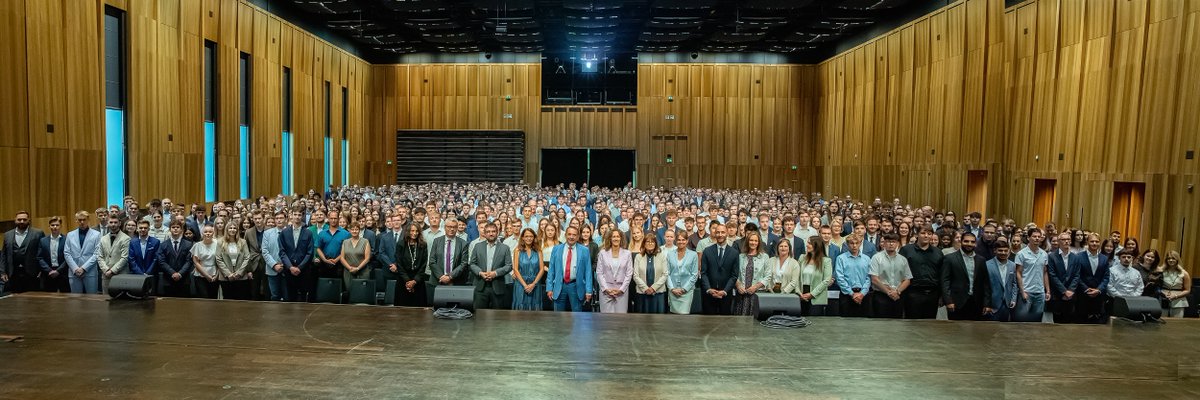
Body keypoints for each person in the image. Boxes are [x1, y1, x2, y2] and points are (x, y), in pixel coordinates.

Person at [940, 232, 991, 320]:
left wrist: (987, 303)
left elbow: (986, 283)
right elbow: (945, 281)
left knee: (975, 331)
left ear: (975, 243)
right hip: (956, 302)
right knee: (956, 331)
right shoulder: (949, 258)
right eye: (966, 241)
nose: (969, 244)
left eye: (972, 242)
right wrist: (948, 301)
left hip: (976, 302)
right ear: (961, 241)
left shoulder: (981, 260)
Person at [546, 226, 594, 312]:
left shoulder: (584, 250)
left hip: (576, 286)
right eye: (569, 234)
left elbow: (588, 272)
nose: (571, 237)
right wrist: (549, 288)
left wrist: (589, 290)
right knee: (558, 317)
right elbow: (551, 270)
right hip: (559, 286)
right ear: (565, 235)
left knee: (577, 316)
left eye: (574, 235)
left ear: (578, 236)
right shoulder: (556, 249)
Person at [899, 226, 942, 319]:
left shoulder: (938, 252)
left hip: (933, 294)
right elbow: (900, 271)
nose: (926, 236)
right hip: (912, 293)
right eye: (923, 233)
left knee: (929, 324)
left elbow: (941, 274)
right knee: (912, 324)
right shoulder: (906, 250)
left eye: (929, 234)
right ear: (917, 234)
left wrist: (941, 295)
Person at [468, 222, 512, 310]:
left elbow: (509, 266)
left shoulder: (505, 248)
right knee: (479, 316)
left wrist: (495, 273)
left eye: (493, 231)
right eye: (488, 232)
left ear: (497, 232)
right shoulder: (477, 246)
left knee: (498, 317)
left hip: (498, 286)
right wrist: (480, 273)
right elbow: (472, 264)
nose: (491, 233)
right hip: (480, 286)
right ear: (484, 233)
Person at [2, 211, 46, 293]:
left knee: (33, 301)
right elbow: (3, 255)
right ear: (15, 220)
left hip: (32, 274)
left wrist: (42, 270)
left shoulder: (38, 233)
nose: (22, 221)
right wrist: (2, 272)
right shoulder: (7, 235)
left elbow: (44, 253)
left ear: (29, 220)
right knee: (14, 302)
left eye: (24, 219)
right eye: (19, 219)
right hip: (13, 274)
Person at [869, 232, 911, 318]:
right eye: (888, 241)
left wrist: (897, 291)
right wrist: (888, 292)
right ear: (884, 243)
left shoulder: (903, 260)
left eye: (893, 241)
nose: (891, 244)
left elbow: (907, 279)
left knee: (897, 325)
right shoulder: (876, 258)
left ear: (898, 244)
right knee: (880, 325)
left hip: (898, 296)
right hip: (881, 296)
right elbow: (874, 279)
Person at [700, 223, 738, 315]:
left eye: (722, 232)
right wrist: (709, 289)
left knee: (724, 325)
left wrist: (725, 291)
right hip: (709, 295)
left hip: (726, 294)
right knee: (708, 324)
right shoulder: (707, 251)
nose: (720, 235)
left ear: (727, 233)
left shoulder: (734, 253)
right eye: (718, 232)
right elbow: (703, 273)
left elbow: (734, 275)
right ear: (714, 234)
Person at [428, 219, 468, 305]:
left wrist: (450, 277)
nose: (452, 229)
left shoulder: (463, 243)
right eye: (449, 227)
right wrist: (441, 276)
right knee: (436, 309)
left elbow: (463, 263)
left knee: (454, 309)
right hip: (437, 280)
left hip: (455, 281)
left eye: (454, 227)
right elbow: (432, 261)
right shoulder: (437, 241)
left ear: (457, 228)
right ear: (444, 227)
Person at [1072, 233, 1110, 323]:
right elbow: (1077, 275)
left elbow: (1106, 277)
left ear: (1099, 243)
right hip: (1082, 295)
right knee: (1080, 323)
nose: (1094, 243)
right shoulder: (1079, 257)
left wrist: (1099, 289)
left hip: (1098, 296)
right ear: (1087, 242)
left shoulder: (1104, 258)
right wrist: (1086, 289)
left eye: (1096, 241)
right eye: (1092, 241)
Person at [1013, 228, 1050, 322]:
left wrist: (1048, 291)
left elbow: (1045, 272)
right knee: (1022, 320)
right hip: (1027, 291)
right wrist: (1022, 292)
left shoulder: (1044, 254)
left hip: (1040, 292)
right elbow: (1018, 273)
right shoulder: (1021, 254)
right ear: (1028, 238)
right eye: (1034, 236)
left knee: (1037, 321)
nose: (1037, 238)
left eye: (1039, 236)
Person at [732, 231, 769, 316]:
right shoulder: (740, 256)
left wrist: (755, 287)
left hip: (757, 293)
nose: (753, 243)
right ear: (747, 241)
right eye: (751, 240)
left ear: (759, 242)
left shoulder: (765, 257)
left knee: (755, 321)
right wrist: (738, 285)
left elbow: (768, 276)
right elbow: (734, 274)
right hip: (742, 294)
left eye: (756, 241)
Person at [279, 212, 314, 302]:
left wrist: (299, 267)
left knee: (303, 297)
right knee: (290, 297)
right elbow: (282, 252)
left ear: (302, 216)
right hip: (289, 270)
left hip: (303, 270)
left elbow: (309, 253)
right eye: (295, 214)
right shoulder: (284, 232)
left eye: (299, 215)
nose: (297, 217)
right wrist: (290, 267)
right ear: (291, 216)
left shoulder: (308, 233)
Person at [596, 229, 633, 313]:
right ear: (610, 238)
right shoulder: (602, 253)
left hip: (621, 292)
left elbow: (629, 274)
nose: (616, 239)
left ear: (621, 238)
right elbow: (599, 273)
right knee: (606, 320)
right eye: (613, 236)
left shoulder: (627, 254)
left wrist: (621, 289)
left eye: (618, 236)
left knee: (621, 320)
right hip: (606, 291)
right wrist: (606, 289)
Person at [835, 234, 871, 317]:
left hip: (863, 295)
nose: (854, 246)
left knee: (863, 322)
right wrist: (852, 293)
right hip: (847, 295)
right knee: (845, 323)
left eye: (856, 243)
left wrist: (862, 293)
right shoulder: (841, 258)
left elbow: (868, 278)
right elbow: (840, 278)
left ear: (860, 243)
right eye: (851, 243)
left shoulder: (867, 259)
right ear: (847, 245)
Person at [1046, 232, 1079, 323]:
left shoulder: (1075, 257)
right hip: (1057, 294)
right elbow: (1052, 275)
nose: (1066, 242)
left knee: (1069, 322)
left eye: (1068, 239)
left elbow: (1077, 275)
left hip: (1071, 295)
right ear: (1059, 242)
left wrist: (1071, 290)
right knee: (1057, 321)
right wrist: (1064, 291)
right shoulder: (1052, 256)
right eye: (1063, 240)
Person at [796, 236, 833, 316]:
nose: (807, 245)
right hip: (801, 295)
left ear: (817, 245)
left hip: (816, 297)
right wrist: (799, 292)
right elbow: (796, 276)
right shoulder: (802, 258)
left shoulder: (826, 261)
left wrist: (812, 294)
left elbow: (826, 280)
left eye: (809, 243)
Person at [984, 238, 1018, 322]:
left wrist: (1013, 299)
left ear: (1009, 251)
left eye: (1005, 251)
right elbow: (984, 287)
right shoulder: (987, 265)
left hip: (1007, 303)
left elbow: (1014, 284)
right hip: (992, 304)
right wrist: (986, 304)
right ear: (995, 251)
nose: (1003, 253)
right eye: (1000, 250)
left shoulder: (1013, 265)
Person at [396, 222, 429, 307]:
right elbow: (399, 264)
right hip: (403, 280)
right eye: (412, 231)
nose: (414, 233)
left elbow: (423, 264)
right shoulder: (400, 244)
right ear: (407, 231)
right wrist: (407, 281)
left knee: (419, 310)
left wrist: (414, 281)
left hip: (418, 280)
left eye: (416, 231)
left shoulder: (423, 245)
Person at [666, 230, 699, 315]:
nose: (681, 242)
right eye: (679, 240)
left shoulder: (693, 255)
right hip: (673, 291)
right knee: (673, 319)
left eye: (683, 239)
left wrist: (684, 289)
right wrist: (672, 289)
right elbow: (667, 273)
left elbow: (694, 275)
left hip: (687, 292)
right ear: (676, 241)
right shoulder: (670, 254)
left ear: (687, 241)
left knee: (684, 318)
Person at [632, 235, 668, 313]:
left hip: (658, 293)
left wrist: (653, 288)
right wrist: (645, 288)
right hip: (642, 293)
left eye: (652, 242)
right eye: (647, 241)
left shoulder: (662, 256)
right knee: (642, 321)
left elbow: (665, 274)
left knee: (658, 321)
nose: (650, 243)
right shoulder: (638, 257)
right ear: (644, 243)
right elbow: (635, 275)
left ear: (656, 244)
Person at [510, 228, 544, 311]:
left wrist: (533, 284)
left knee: (535, 308)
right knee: (520, 307)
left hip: (535, 284)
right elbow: (515, 269)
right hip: (521, 284)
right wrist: (525, 285)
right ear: (522, 238)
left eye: (531, 236)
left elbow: (542, 269)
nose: (529, 238)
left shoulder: (538, 251)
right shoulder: (517, 250)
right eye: (526, 236)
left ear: (534, 238)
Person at [216, 224, 251, 300]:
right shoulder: (220, 242)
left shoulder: (243, 242)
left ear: (237, 230)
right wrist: (228, 274)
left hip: (241, 277)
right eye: (230, 228)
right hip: (226, 277)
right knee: (228, 299)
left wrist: (239, 273)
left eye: (234, 228)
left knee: (241, 299)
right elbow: (218, 259)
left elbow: (247, 258)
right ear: (226, 230)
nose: (232, 230)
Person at [339, 221, 373, 298]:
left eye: (356, 229)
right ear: (349, 230)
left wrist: (357, 268)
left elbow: (367, 258)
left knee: (362, 293)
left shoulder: (365, 241)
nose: (354, 231)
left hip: (363, 272)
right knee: (350, 293)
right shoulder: (345, 242)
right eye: (352, 229)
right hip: (348, 272)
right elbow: (342, 258)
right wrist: (350, 268)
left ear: (359, 230)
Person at [97, 216, 130, 293]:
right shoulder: (103, 238)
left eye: (115, 222)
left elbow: (124, 258)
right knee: (106, 301)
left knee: (120, 301)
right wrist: (106, 270)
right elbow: (100, 256)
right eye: (111, 222)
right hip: (106, 275)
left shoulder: (126, 238)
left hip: (120, 274)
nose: (113, 224)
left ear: (120, 223)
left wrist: (112, 271)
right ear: (108, 223)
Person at [126, 220, 161, 292]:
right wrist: (141, 274)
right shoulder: (132, 242)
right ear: (137, 229)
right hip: (136, 275)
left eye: (145, 228)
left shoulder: (155, 242)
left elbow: (156, 259)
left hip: (151, 275)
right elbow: (131, 260)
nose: (143, 230)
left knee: (152, 299)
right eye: (141, 228)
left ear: (149, 229)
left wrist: (148, 273)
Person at [37, 216, 70, 293]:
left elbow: (68, 257)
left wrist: (58, 271)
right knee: (49, 299)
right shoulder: (43, 240)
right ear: (49, 226)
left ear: (61, 226)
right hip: (48, 273)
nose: (55, 227)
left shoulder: (67, 239)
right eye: (52, 225)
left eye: (57, 225)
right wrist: (49, 270)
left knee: (65, 298)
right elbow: (39, 257)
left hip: (63, 272)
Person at [260, 212, 287, 301]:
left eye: (281, 218)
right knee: (275, 296)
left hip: (287, 269)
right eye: (277, 218)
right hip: (272, 269)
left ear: (285, 219)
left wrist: (286, 264)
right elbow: (265, 251)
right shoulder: (267, 233)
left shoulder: (290, 232)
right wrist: (274, 265)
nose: (279, 220)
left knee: (287, 296)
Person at [190, 225, 220, 299]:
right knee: (203, 298)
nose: (208, 233)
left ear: (213, 233)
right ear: (202, 233)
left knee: (213, 298)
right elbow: (196, 262)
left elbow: (221, 260)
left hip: (215, 274)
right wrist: (207, 276)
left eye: (210, 232)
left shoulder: (218, 244)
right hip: (200, 275)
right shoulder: (197, 245)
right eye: (205, 232)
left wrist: (217, 275)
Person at [1160, 251, 1190, 318]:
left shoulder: (1184, 273)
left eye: (1173, 258)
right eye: (1169, 258)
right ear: (1166, 260)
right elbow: (1156, 286)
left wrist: (1175, 296)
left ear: (1177, 260)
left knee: (1176, 324)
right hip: (1163, 299)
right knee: (1161, 323)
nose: (1171, 260)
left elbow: (1187, 290)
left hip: (1178, 301)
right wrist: (1163, 293)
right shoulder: (1160, 271)